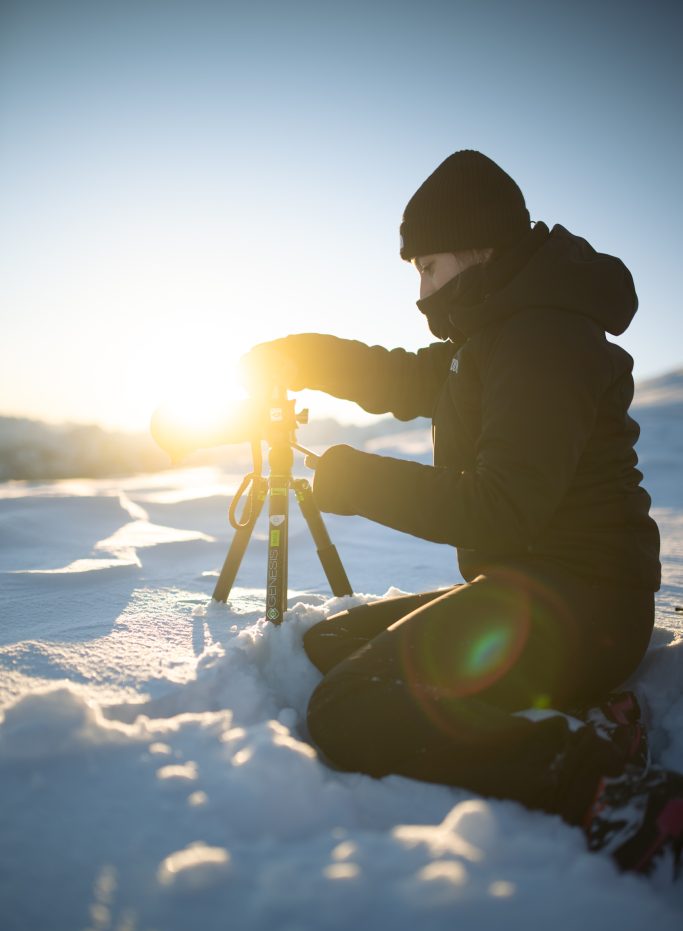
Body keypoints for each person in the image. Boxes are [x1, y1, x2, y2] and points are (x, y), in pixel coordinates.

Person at [241, 150, 683, 876]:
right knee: (331, 645)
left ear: (478, 248)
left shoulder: (542, 340)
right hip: (537, 591)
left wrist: (356, 480)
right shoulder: (490, 334)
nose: (420, 290)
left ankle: (602, 784)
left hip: (587, 604)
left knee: (350, 707)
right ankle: (594, 718)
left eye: (428, 267)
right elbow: (399, 374)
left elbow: (500, 508)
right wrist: (296, 355)